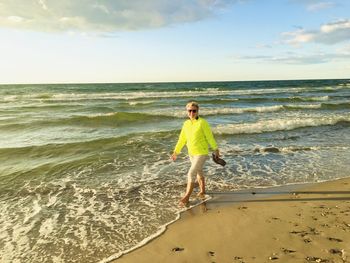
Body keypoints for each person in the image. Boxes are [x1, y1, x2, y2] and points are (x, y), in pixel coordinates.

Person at [171, 101, 220, 206]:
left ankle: (186, 197)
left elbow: (209, 137)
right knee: (198, 172)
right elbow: (182, 139)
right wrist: (176, 151)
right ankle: (202, 191)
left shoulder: (203, 122)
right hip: (191, 153)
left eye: (194, 111)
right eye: (190, 111)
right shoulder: (186, 123)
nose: (192, 113)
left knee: (191, 173)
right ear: (187, 111)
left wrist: (215, 149)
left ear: (198, 111)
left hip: (201, 153)